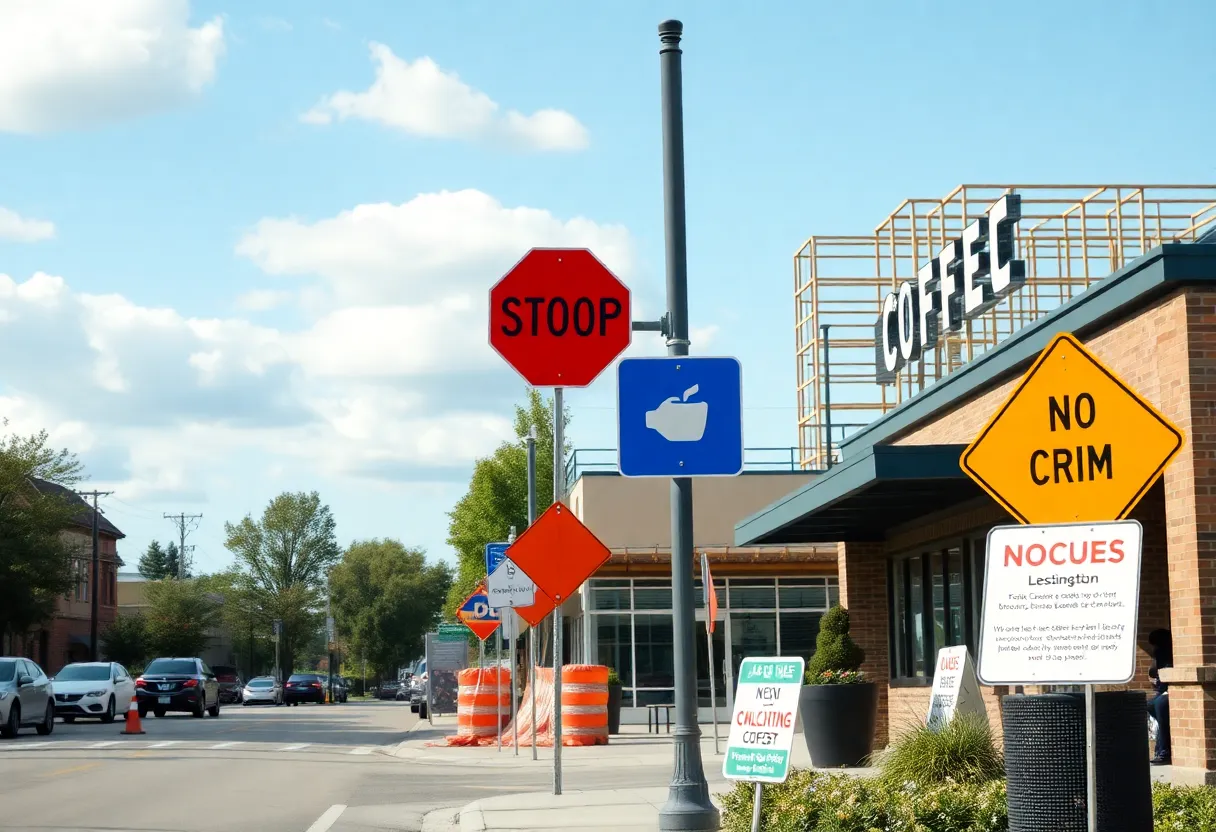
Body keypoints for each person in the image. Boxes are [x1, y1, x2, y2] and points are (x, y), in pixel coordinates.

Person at [1147, 628, 1172, 765]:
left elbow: (1164, 674)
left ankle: (1164, 751)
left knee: (1160, 705)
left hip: (1169, 690)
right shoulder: (1159, 654)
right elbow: (1154, 671)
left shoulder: (1165, 653)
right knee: (1152, 705)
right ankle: (1161, 747)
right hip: (1163, 690)